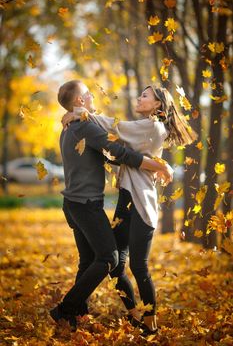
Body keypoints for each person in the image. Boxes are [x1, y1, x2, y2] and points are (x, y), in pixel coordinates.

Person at [61, 85, 197, 334]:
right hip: (127, 198)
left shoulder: (152, 126)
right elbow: (113, 150)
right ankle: (134, 313)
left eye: (145, 96)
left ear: (157, 104)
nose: (138, 98)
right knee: (115, 264)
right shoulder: (144, 126)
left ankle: (150, 324)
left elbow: (116, 129)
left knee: (139, 267)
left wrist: (81, 113)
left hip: (141, 202)